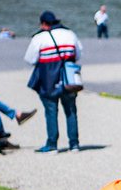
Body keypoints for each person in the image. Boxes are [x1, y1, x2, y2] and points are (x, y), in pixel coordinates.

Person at [23, 10, 83, 153]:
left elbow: (30, 59)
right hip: (69, 79)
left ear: (44, 24)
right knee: (71, 111)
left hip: (48, 80)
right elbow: (79, 54)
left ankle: (52, 144)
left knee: (51, 111)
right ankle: (74, 144)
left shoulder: (40, 37)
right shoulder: (70, 34)